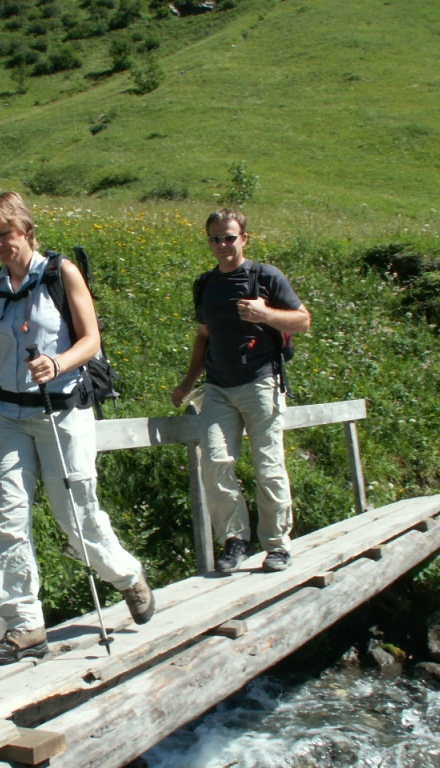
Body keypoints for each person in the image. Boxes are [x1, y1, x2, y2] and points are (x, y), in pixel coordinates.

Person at [0, 191, 154, 665]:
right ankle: (25, 625)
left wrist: (58, 362)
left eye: (4, 234)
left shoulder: (61, 272)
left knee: (77, 519)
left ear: (26, 230)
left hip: (62, 411)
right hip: (7, 414)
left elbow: (91, 340)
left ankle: (127, 576)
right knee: (5, 519)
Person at [171, 208, 311, 574]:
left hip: (261, 381)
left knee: (268, 466)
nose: (222, 245)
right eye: (215, 239)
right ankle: (235, 541)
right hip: (217, 387)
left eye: (229, 237)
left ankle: (277, 546)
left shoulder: (266, 277)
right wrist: (188, 382)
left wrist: (265, 314)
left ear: (244, 238)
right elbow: (204, 336)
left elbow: (303, 320)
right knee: (214, 462)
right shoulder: (205, 284)